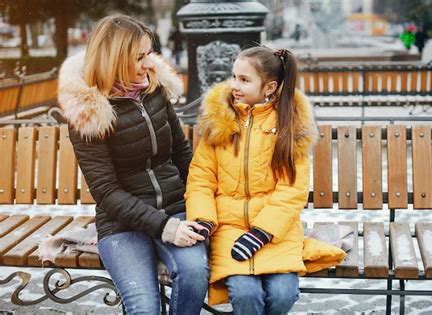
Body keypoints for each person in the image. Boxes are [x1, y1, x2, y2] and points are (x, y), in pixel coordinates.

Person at [57, 14, 209, 315]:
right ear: (115, 58)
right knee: (144, 306)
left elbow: (181, 153)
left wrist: (203, 203)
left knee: (194, 274)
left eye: (148, 54)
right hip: (122, 224)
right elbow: (107, 192)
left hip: (175, 207)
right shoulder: (89, 112)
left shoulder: (155, 91)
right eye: (139, 57)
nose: (148, 64)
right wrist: (164, 227)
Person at [185, 46, 346, 314]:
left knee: (283, 294)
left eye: (245, 80)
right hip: (229, 229)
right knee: (245, 294)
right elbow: (201, 178)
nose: (235, 85)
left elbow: (291, 190)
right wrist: (203, 219)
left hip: (275, 232)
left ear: (270, 87)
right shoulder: (220, 120)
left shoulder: (288, 124)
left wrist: (261, 233)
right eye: (234, 76)